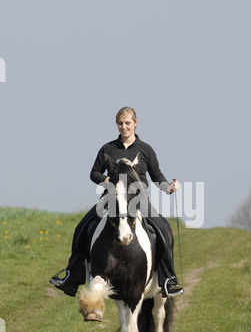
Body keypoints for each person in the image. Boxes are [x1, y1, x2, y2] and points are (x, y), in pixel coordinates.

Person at [50, 107, 183, 298]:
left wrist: (168, 188)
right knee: (81, 228)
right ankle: (72, 276)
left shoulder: (146, 150)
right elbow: (94, 173)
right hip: (110, 199)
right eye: (120, 123)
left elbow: (156, 176)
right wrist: (106, 181)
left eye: (127, 123)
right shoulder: (108, 148)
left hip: (138, 199)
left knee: (162, 229)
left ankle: (169, 279)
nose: (124, 127)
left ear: (136, 123)